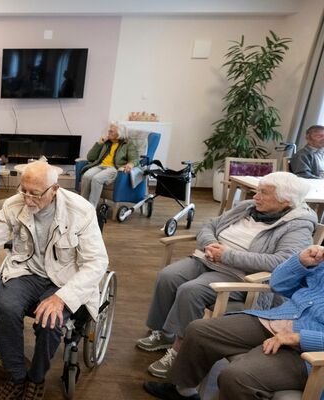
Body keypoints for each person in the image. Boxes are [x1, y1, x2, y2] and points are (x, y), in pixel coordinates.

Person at [0, 161, 108, 400]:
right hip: (25, 271)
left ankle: (36, 378)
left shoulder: (81, 210)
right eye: (23, 190)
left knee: (50, 322)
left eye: (35, 193)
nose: (27, 199)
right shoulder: (13, 205)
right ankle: (17, 377)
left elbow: (97, 262)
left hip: (63, 280)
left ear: (54, 190)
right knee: (5, 307)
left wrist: (61, 298)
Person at [137, 171, 316, 379]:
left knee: (190, 291)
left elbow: (282, 262)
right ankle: (163, 333)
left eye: (263, 193)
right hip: (208, 259)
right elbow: (210, 224)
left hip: (239, 275)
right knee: (167, 276)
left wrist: (227, 256)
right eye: (257, 191)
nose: (255, 196)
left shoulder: (298, 226)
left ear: (285, 200)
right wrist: (210, 244)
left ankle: (180, 352)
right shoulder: (247, 207)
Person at [143, 245, 324, 400]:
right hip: (280, 320)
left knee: (236, 377)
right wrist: (300, 261)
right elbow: (277, 284)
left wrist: (300, 338)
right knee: (199, 331)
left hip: (310, 350)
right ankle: (183, 392)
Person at [79, 123, 139, 207]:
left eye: (111, 131)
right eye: (109, 131)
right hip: (100, 165)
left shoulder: (128, 144)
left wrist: (130, 164)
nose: (108, 132)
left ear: (119, 134)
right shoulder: (106, 142)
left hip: (114, 168)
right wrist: (99, 144)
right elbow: (90, 157)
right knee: (86, 176)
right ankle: (82, 205)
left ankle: (91, 207)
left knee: (97, 179)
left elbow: (135, 159)